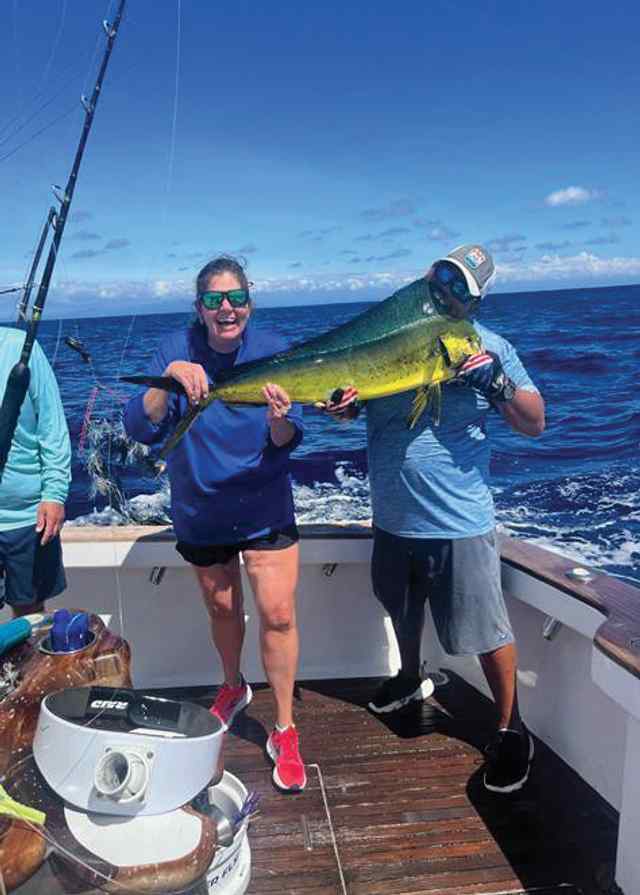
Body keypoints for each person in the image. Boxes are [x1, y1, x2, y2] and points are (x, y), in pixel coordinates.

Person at [326, 245, 545, 794]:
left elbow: (534, 422)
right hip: (393, 516)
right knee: (401, 607)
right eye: (443, 276)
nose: (448, 290)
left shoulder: (489, 346)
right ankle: (407, 678)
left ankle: (510, 729)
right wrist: (344, 406)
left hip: (459, 521)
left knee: (487, 630)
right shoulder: (383, 339)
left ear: (476, 301)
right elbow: (353, 402)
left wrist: (494, 384)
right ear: (429, 275)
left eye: (462, 288)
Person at [124, 255, 307, 792]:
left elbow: (290, 437)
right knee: (224, 607)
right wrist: (167, 381)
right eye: (213, 299)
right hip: (201, 506)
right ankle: (233, 686)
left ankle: (285, 728)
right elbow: (138, 425)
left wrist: (277, 422)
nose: (226, 308)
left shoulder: (274, 349)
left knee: (276, 613)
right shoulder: (174, 348)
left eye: (235, 298)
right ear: (199, 307)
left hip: (264, 504)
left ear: (250, 301)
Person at [0, 327, 70, 619]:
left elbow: (51, 425)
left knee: (30, 616)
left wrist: (54, 493)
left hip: (27, 516)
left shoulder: (20, 347)